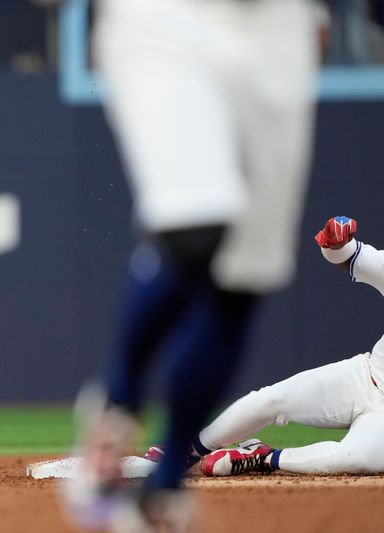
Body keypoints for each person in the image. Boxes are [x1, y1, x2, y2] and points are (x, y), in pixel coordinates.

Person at [62, 0, 322, 530]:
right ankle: (116, 409)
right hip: (165, 17)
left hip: (277, 26)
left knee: (241, 285)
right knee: (194, 232)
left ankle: (163, 488)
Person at [191, 216, 384, 477]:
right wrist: (334, 241)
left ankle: (266, 457)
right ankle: (185, 451)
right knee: (271, 399)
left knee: (355, 458)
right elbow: (345, 256)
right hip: (364, 378)